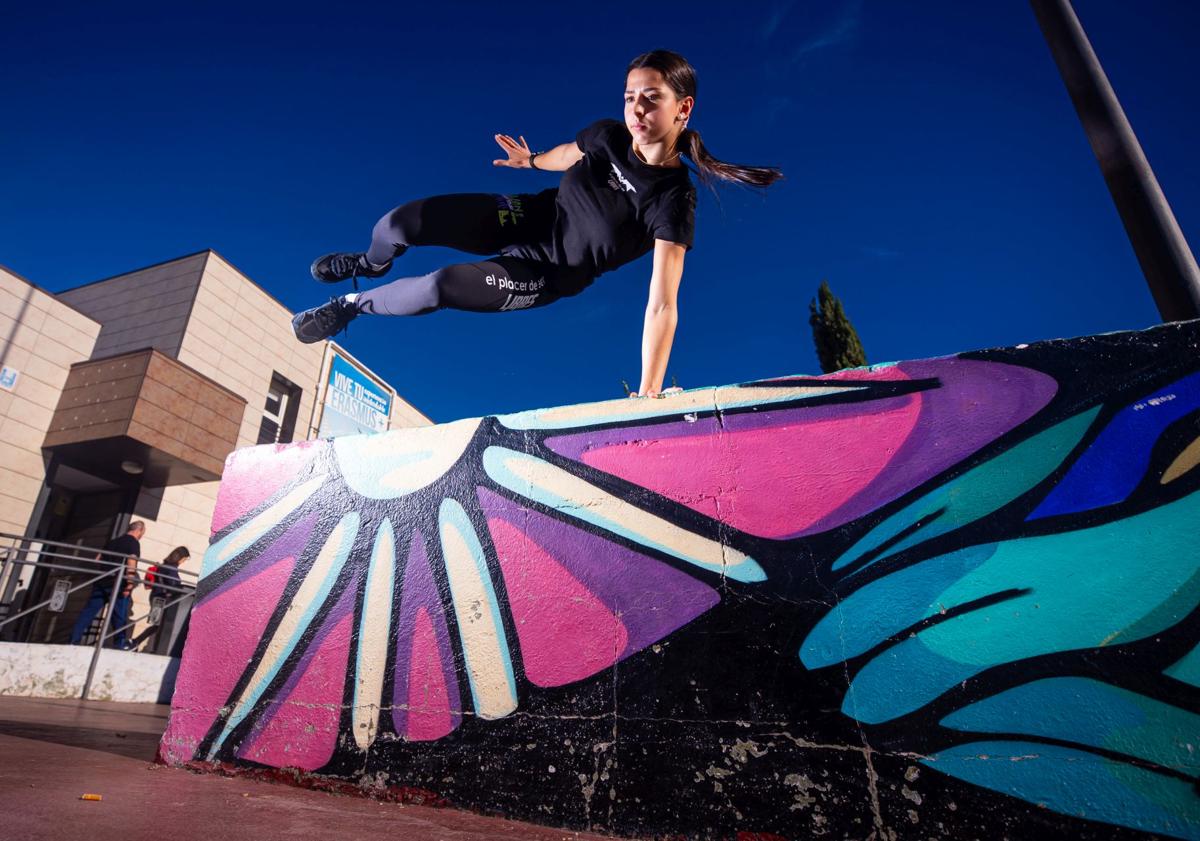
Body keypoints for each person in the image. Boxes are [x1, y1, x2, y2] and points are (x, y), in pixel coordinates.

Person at [291, 50, 782, 398]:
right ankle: (370, 264)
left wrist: (650, 391)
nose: (636, 108)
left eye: (651, 98)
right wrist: (530, 162)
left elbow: (662, 303)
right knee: (400, 222)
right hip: (527, 218)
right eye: (630, 95)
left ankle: (350, 305)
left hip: (548, 274)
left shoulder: (673, 199)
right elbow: (570, 154)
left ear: (683, 108)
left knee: (441, 285)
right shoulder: (608, 135)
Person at [70, 520, 145, 647]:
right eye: (143, 532)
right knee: (119, 616)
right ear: (139, 530)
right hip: (118, 584)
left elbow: (97, 559)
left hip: (102, 581)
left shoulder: (113, 541)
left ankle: (73, 640)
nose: (142, 535)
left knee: (88, 612)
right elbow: (131, 564)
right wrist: (129, 584)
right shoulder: (133, 543)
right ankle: (119, 645)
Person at [128, 545, 189, 654]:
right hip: (161, 599)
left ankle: (143, 644)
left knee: (158, 624)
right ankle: (136, 642)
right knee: (158, 624)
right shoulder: (171, 569)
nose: (184, 562)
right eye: (185, 559)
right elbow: (174, 584)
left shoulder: (164, 566)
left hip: (156, 596)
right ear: (180, 557)